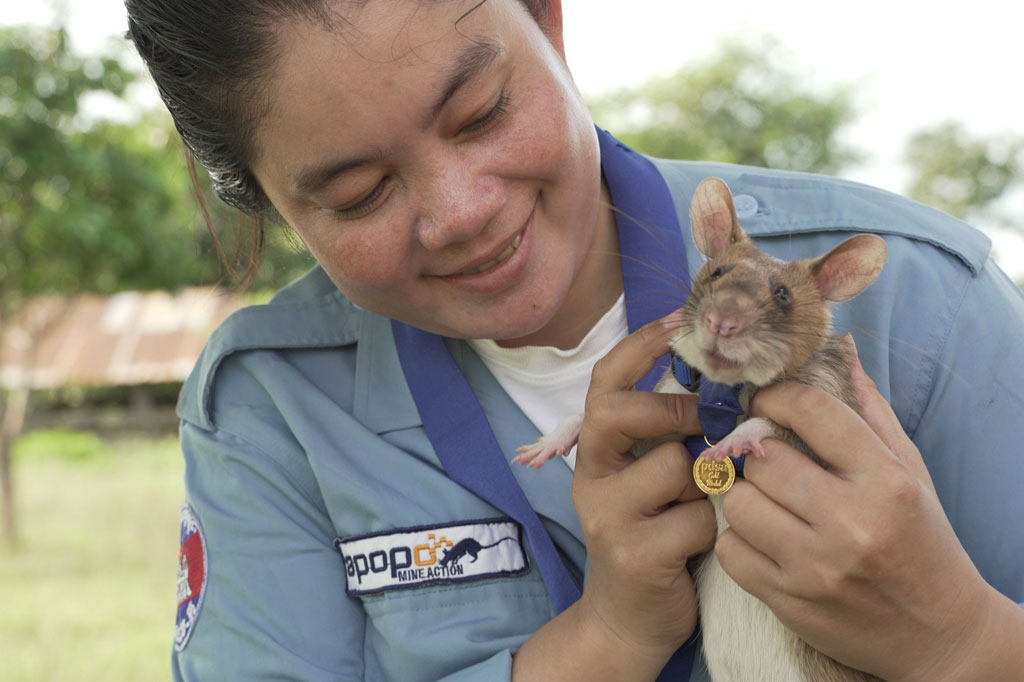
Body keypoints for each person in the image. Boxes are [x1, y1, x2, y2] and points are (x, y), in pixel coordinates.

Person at [126, 1, 1024, 680]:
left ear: (549, 20)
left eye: (480, 112)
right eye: (360, 192)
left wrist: (962, 639)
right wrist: (608, 637)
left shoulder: (919, 302)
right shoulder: (270, 402)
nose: (463, 213)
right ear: (264, 201)